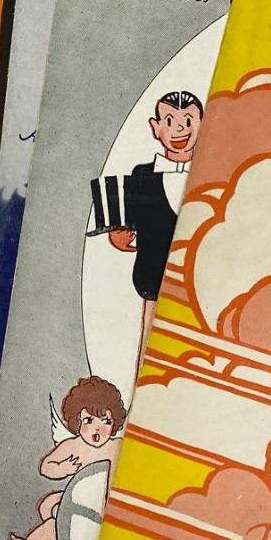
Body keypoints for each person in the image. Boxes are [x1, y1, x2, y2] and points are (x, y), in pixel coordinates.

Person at [108, 90, 203, 372]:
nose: (179, 129)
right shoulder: (142, 175)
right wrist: (120, 236)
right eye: (170, 121)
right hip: (153, 282)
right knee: (150, 356)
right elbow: (124, 227)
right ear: (156, 127)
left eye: (188, 120)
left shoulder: (210, 172)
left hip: (199, 284)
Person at [7, 375, 125, 540]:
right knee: (48, 505)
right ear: (76, 420)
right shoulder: (72, 446)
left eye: (106, 422)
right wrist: (64, 468)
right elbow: (46, 466)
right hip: (77, 496)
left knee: (62, 517)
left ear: (115, 423)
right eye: (89, 420)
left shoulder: (116, 446)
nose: (98, 429)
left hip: (99, 504)